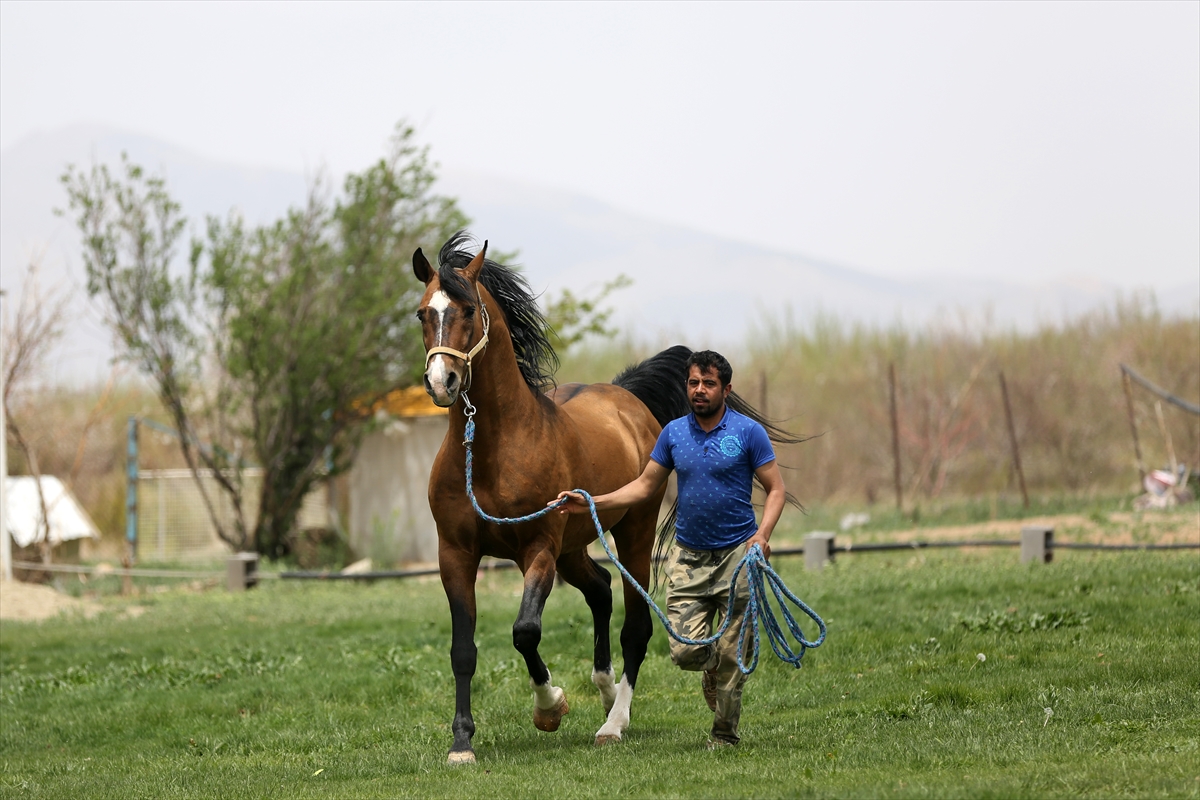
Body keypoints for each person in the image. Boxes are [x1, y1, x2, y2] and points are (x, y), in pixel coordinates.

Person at [555, 350, 786, 747]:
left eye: (709, 384)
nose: (699, 390)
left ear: (726, 390)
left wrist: (763, 535)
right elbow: (644, 486)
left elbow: (776, 489)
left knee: (735, 659)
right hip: (689, 558)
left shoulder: (748, 433)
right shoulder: (674, 434)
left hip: (737, 555)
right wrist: (593, 501)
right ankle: (711, 663)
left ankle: (724, 735)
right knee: (684, 652)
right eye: (694, 383)